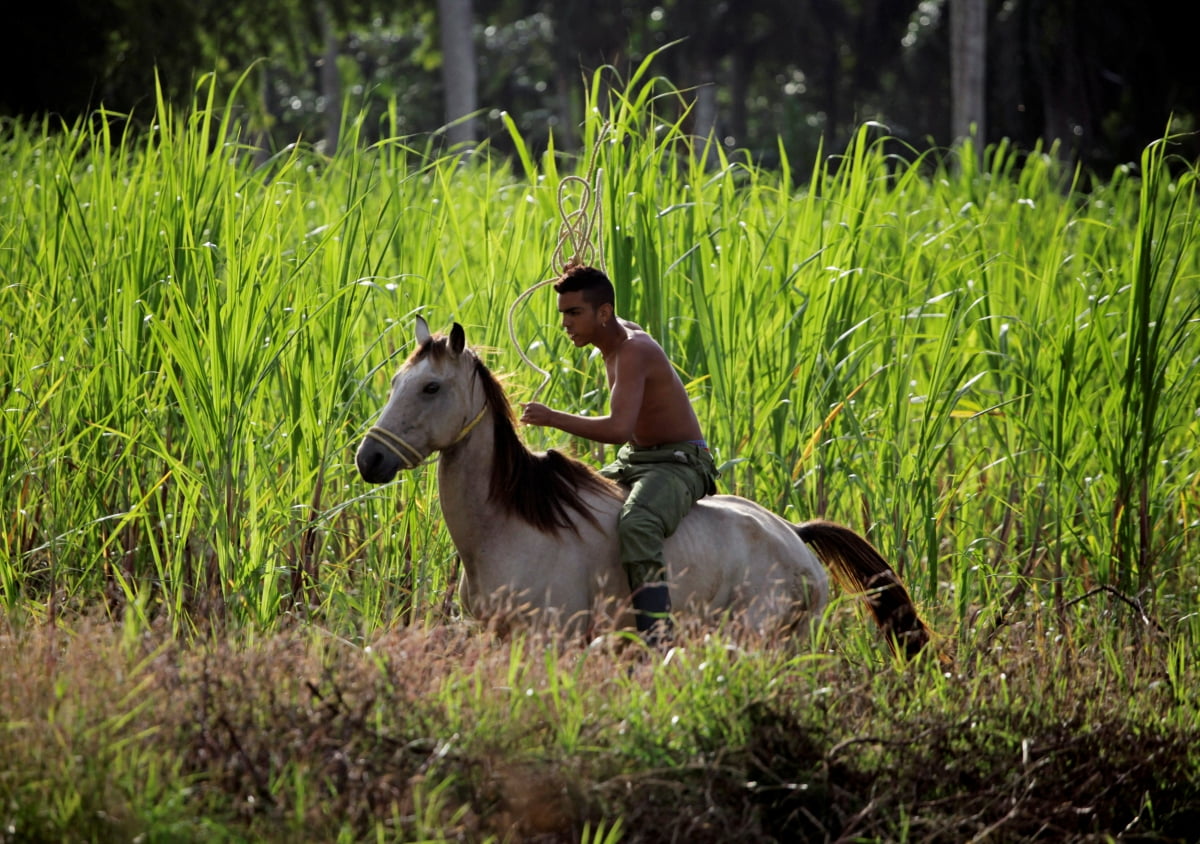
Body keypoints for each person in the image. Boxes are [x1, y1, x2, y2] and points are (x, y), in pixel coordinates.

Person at [520, 265, 719, 643]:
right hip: (638, 458)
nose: (565, 323)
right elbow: (603, 298)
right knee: (573, 504)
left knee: (638, 524)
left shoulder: (633, 352)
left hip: (679, 460)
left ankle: (658, 638)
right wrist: (579, 272)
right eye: (563, 313)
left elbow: (616, 430)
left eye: (574, 313)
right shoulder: (611, 334)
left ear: (604, 313)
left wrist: (552, 418)